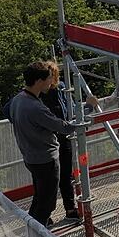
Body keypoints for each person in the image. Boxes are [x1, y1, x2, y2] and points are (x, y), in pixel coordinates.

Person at [5, 61, 96, 228]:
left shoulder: (18, 100)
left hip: (31, 157)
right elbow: (66, 127)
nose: (51, 82)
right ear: (39, 80)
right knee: (47, 203)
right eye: (48, 79)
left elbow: (9, 113)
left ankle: (33, 228)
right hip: (45, 159)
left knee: (40, 196)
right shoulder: (35, 108)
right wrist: (89, 107)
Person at [40, 61, 79, 220]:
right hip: (49, 139)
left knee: (65, 175)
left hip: (63, 136)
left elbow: (69, 106)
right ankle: (45, 214)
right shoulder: (39, 93)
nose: (53, 79)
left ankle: (70, 209)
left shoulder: (61, 87)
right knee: (49, 178)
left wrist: (75, 119)